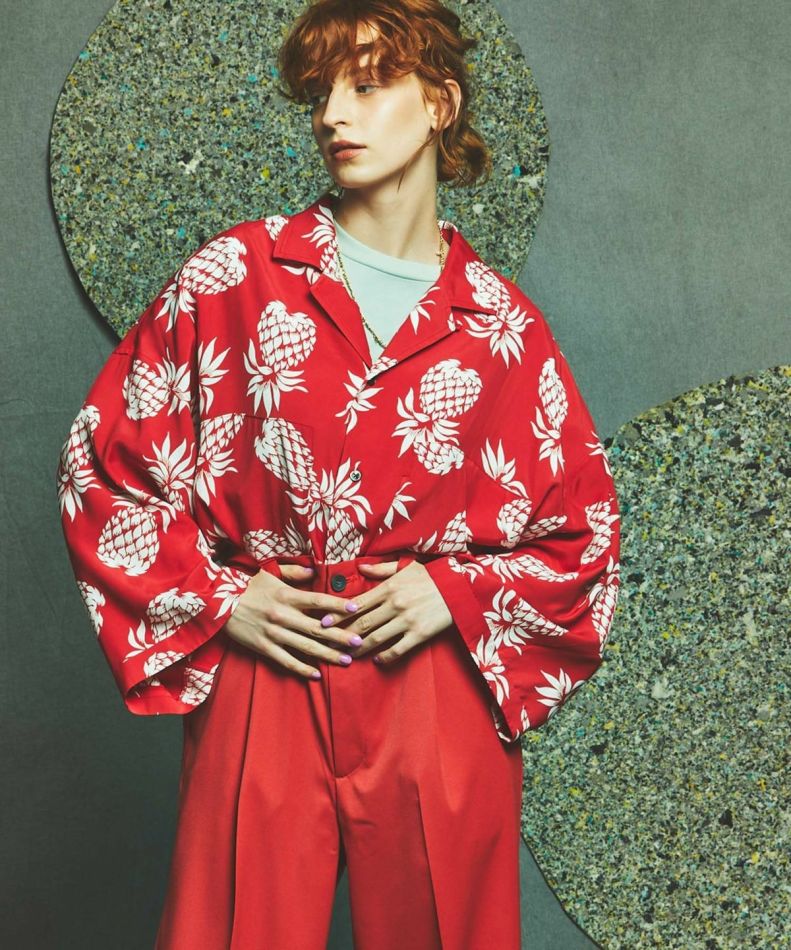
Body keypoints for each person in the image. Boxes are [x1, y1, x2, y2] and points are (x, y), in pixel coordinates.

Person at [56, 1, 621, 947]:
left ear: (439, 103)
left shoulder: (501, 326)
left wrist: (456, 592)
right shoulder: (235, 276)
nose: (332, 115)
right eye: (321, 92)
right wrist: (220, 599)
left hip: (435, 676)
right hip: (269, 659)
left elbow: (583, 533)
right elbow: (101, 465)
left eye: (367, 85)